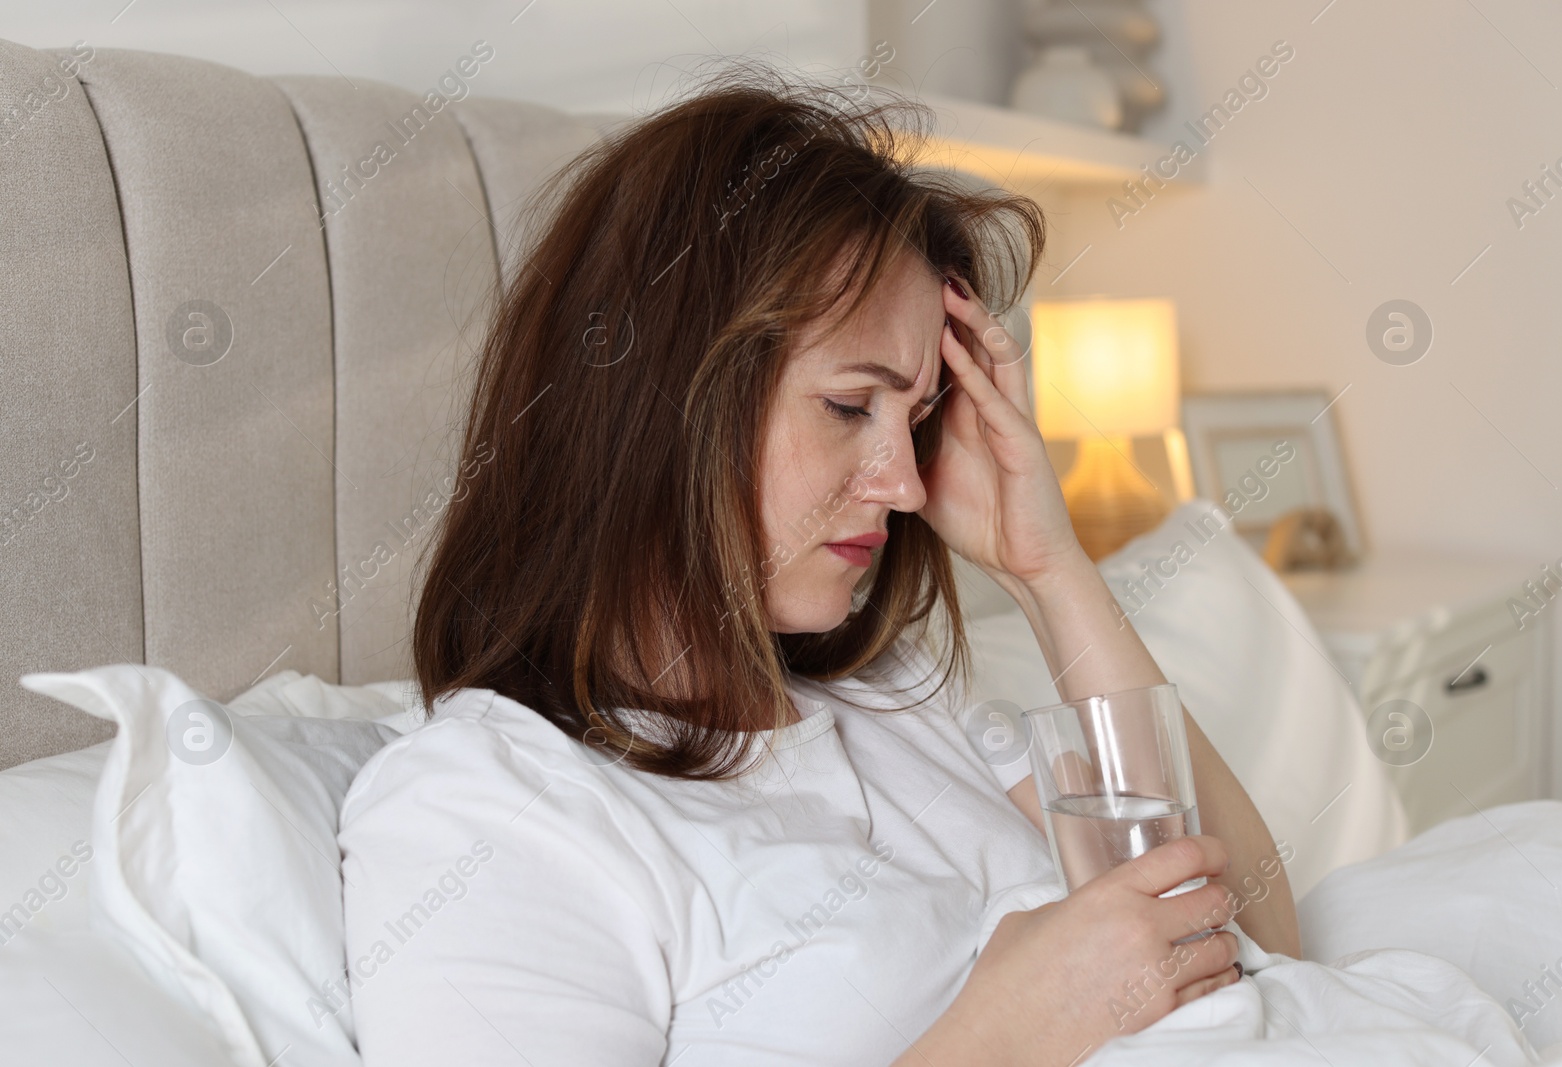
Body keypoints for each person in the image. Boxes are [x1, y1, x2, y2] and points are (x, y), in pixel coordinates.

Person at [336, 66, 1299, 1067]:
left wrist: (1046, 568)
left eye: (919, 419)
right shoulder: (493, 808)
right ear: (662, 403)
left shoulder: (895, 701)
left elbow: (1258, 935)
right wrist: (1001, 1037)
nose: (906, 484)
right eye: (850, 406)